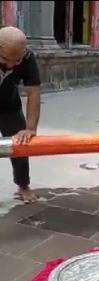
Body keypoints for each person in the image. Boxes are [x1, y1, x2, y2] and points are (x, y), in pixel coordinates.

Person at [0, 26, 41, 203]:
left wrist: (30, 128)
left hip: (9, 106)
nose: (12, 65)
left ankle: (23, 185)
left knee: (20, 146)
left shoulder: (27, 58)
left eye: (17, 60)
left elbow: (33, 92)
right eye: (7, 59)